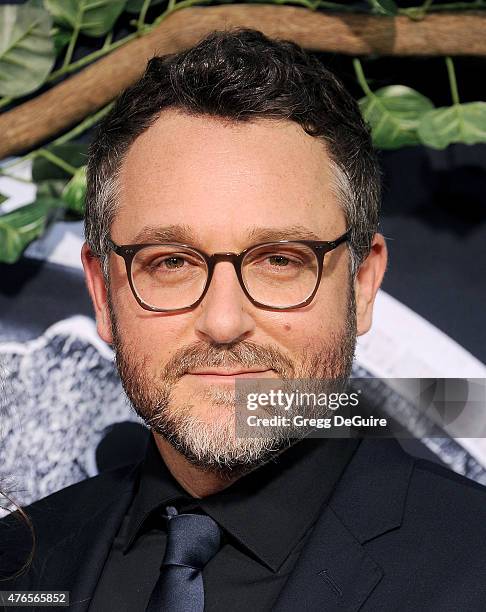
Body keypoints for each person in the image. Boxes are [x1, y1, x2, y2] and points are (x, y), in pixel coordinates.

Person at [1, 28, 485, 612]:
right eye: (171, 262)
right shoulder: (20, 565)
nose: (224, 321)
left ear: (362, 284)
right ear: (103, 293)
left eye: (280, 260)